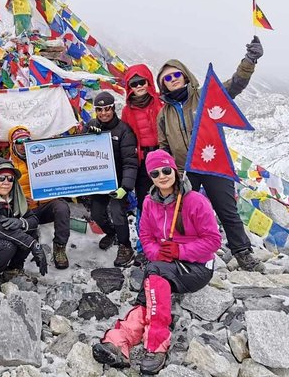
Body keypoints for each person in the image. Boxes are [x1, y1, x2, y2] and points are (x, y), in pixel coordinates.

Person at [92, 150, 221, 374]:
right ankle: (121, 342)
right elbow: (146, 237)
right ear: (150, 177)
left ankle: (152, 343)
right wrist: (157, 254)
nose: (162, 176)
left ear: (175, 170)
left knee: (154, 274)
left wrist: (180, 251)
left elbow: (213, 241)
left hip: (197, 267)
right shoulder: (150, 203)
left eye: (166, 170)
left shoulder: (195, 201)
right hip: (165, 264)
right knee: (154, 278)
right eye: (155, 172)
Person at [156, 36, 264, 271]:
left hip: (214, 163)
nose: (173, 80)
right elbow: (163, 146)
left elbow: (235, 85)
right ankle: (189, 252)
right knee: (184, 212)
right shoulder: (163, 114)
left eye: (176, 75)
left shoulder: (205, 95)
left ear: (184, 76)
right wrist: (170, 171)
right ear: (162, 84)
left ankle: (242, 252)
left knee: (227, 209)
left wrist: (249, 61)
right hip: (185, 170)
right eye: (167, 78)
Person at [85, 92, 139, 267]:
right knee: (96, 214)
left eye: (107, 109)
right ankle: (111, 233)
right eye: (99, 110)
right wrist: (88, 135)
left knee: (117, 212)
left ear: (113, 108)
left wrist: (126, 186)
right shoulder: (91, 125)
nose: (103, 113)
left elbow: (130, 162)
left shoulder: (124, 130)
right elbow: (79, 149)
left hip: (118, 182)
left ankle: (125, 246)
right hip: (99, 181)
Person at [8, 125, 71, 269]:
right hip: (23, 212)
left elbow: (57, 182)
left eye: (26, 140)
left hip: (43, 206)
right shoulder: (8, 165)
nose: (23, 145)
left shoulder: (44, 158)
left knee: (61, 207)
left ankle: (59, 247)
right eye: (19, 142)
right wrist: (20, 201)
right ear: (13, 144)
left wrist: (57, 145)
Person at [120, 64, 162, 261]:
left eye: (141, 81)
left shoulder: (161, 103)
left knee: (168, 201)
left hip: (163, 158)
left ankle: (169, 242)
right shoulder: (127, 112)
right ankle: (144, 247)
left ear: (149, 81)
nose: (138, 86)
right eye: (133, 83)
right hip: (142, 161)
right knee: (145, 204)